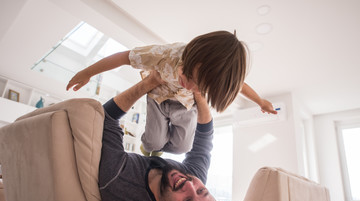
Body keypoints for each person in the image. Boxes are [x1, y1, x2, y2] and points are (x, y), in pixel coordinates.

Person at [66, 30, 277, 156]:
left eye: (200, 88)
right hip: (159, 96)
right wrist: (88, 71)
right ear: (190, 58)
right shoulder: (164, 55)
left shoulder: (206, 84)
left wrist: (260, 101)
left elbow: (240, 85)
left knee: (182, 148)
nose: (191, 87)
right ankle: (151, 145)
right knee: (152, 143)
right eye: (190, 78)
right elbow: (124, 57)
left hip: (185, 105)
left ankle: (162, 144)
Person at [96, 70, 220, 201]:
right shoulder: (194, 180)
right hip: (162, 145)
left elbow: (107, 117)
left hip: (125, 174)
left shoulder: (118, 182)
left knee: (154, 142)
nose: (190, 185)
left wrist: (149, 83)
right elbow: (204, 141)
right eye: (202, 191)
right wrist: (199, 95)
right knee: (180, 145)